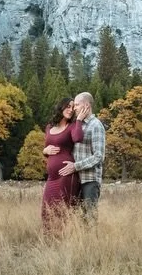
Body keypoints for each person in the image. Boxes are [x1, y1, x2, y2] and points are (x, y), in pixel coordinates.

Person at [56, 91, 105, 221]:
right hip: (75, 179)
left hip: (89, 180)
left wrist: (75, 166)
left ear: (87, 105)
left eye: (77, 105)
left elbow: (98, 156)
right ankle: (79, 241)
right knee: (77, 218)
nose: (74, 108)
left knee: (90, 217)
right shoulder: (78, 125)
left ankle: (92, 241)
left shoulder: (96, 125)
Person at [40, 97, 83, 234]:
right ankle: (49, 239)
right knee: (46, 210)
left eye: (72, 107)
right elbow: (47, 148)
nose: (70, 110)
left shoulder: (72, 126)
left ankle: (64, 240)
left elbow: (78, 138)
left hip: (66, 174)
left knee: (63, 210)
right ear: (61, 107)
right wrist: (44, 151)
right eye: (67, 106)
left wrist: (79, 120)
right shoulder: (49, 127)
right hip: (52, 178)